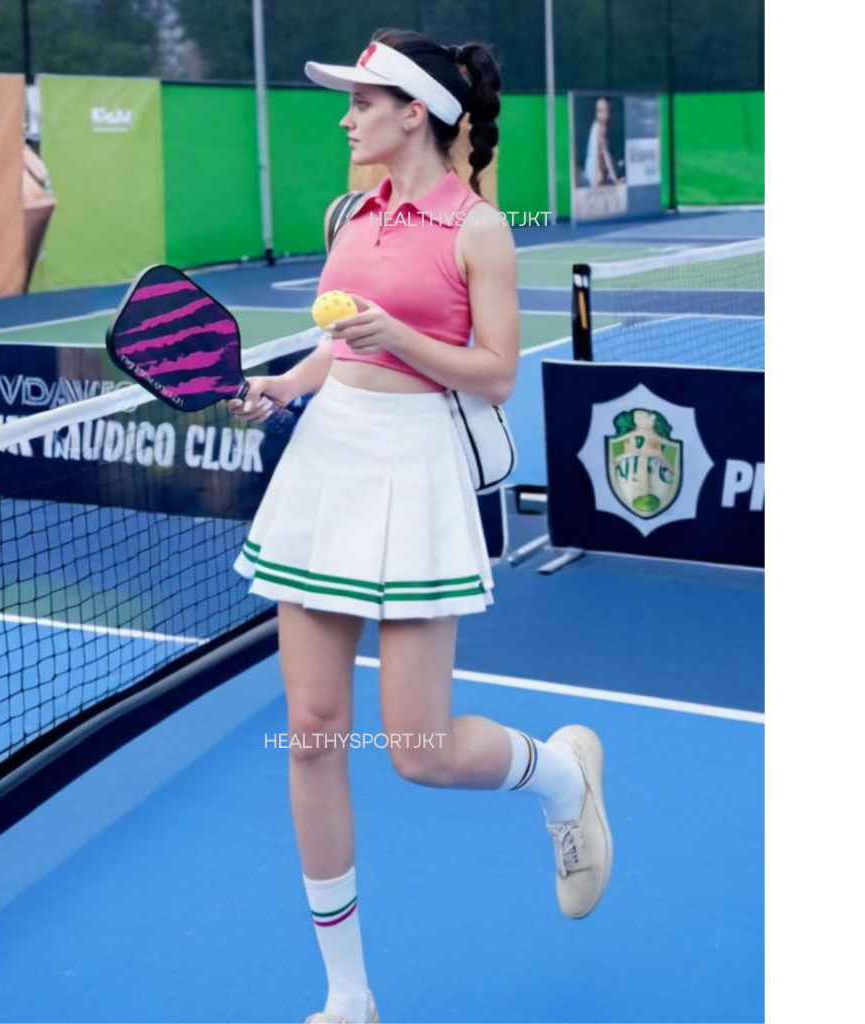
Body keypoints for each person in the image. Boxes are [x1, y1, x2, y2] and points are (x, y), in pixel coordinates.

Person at [228, 29, 612, 1024]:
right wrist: (285, 385)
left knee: (419, 748)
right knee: (312, 731)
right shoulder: (346, 212)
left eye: (362, 101)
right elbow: (337, 343)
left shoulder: (479, 230)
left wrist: (397, 334)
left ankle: (561, 776)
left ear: (415, 112)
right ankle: (348, 994)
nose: (346, 118)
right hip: (329, 465)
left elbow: (497, 372)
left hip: (417, 471)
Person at [582, 97, 619, 187]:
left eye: (606, 110)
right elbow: (604, 152)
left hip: (593, 172)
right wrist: (614, 178)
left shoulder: (598, 125)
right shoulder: (599, 126)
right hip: (594, 172)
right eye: (602, 110)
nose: (606, 113)